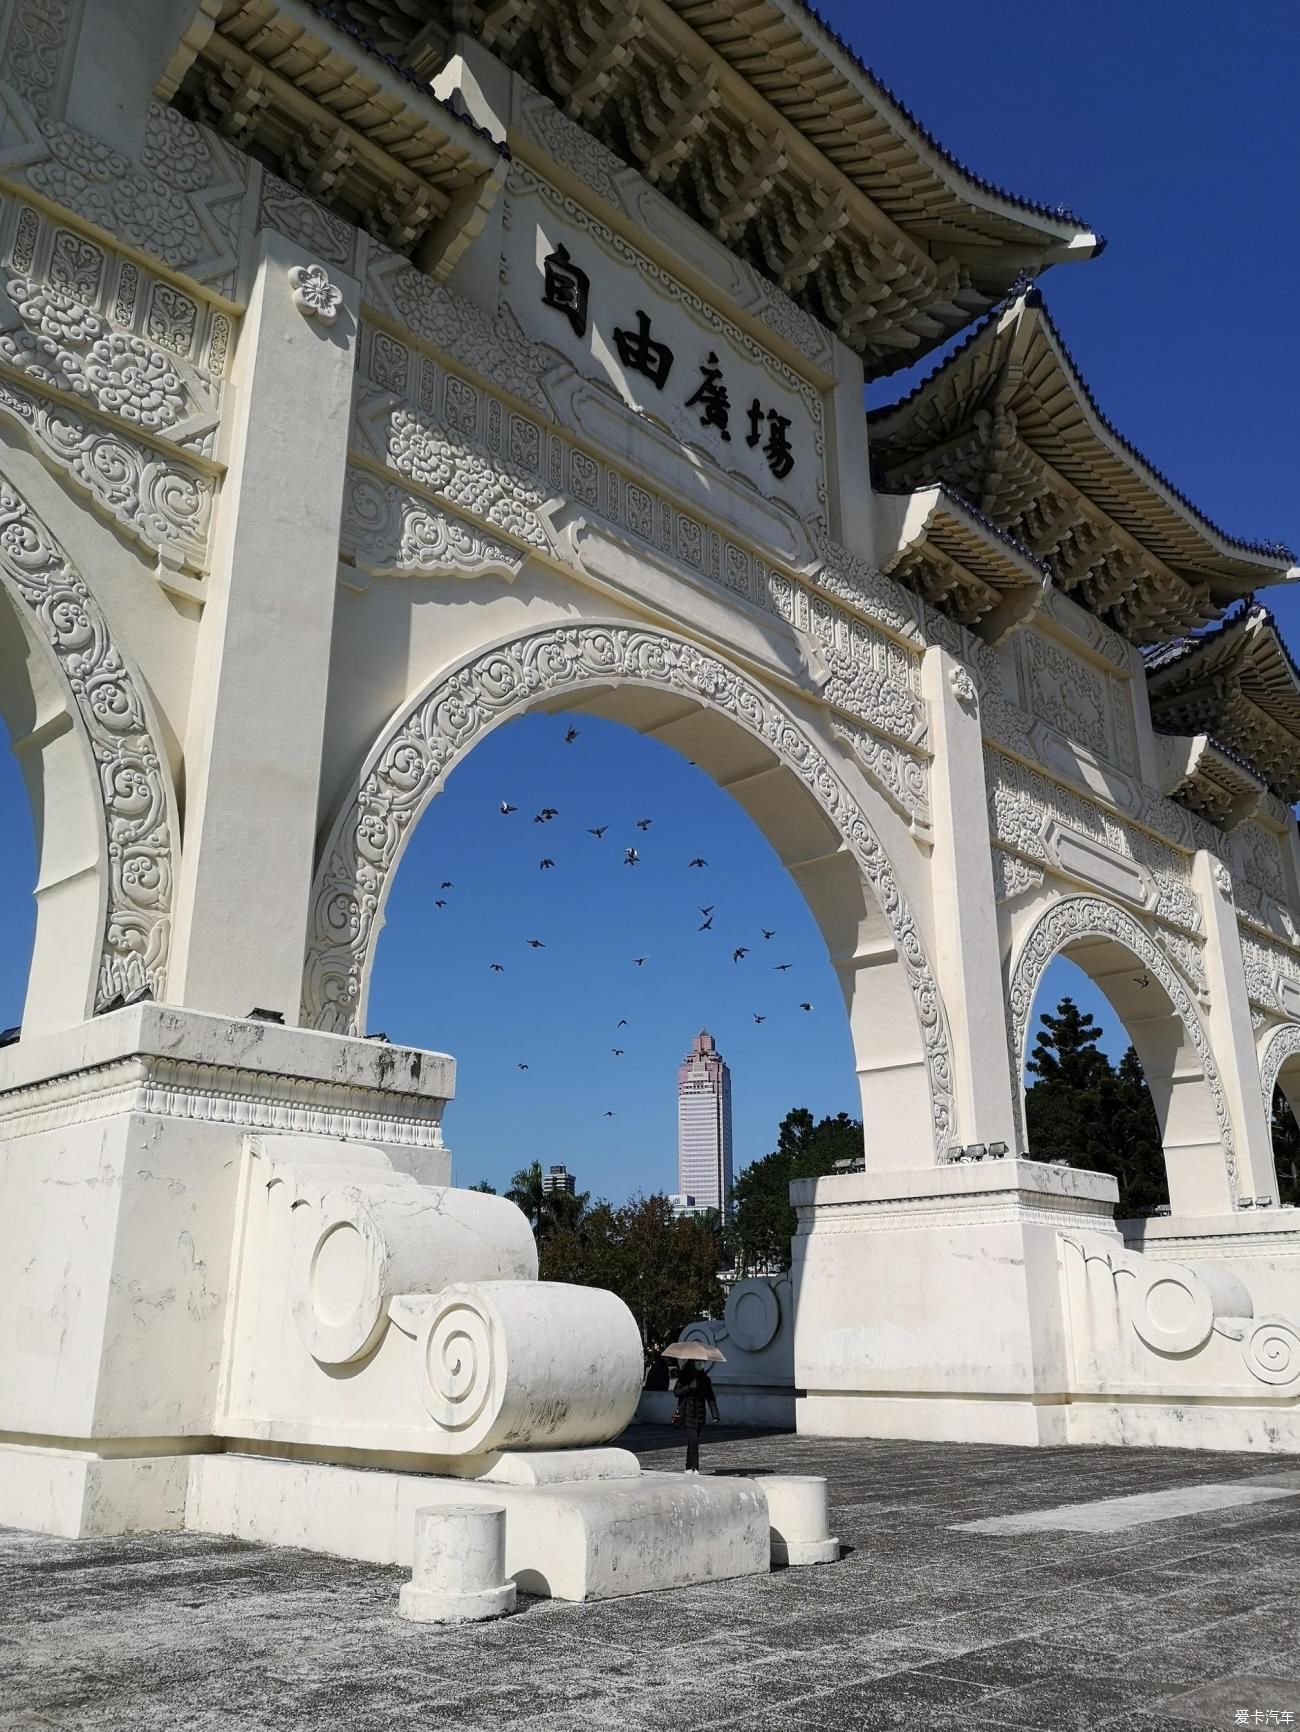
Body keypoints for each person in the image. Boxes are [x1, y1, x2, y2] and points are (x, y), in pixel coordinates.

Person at [672, 1361, 720, 1474]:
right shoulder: (684, 1377)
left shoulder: (705, 1379)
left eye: (702, 1362)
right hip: (687, 1414)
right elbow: (676, 1392)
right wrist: (689, 1387)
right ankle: (696, 1468)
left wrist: (715, 1414)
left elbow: (710, 1398)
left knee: (692, 1442)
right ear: (692, 1363)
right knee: (694, 1440)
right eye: (698, 1362)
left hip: (700, 1415)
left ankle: (688, 1467)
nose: (700, 1364)